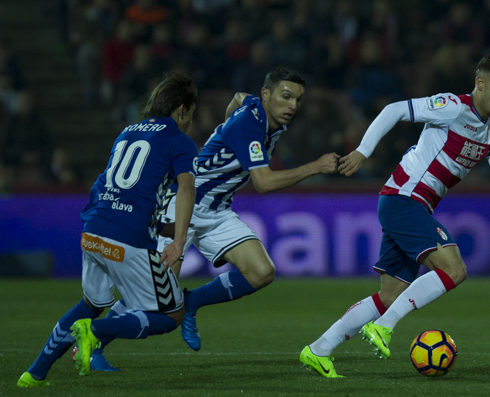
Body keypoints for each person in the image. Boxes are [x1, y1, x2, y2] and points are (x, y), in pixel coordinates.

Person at [299, 53, 490, 378]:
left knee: (389, 295)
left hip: (409, 205)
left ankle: (319, 349)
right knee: (455, 269)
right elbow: (394, 110)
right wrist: (363, 150)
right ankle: (384, 327)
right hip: (404, 199)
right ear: (481, 83)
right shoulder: (453, 107)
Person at [88, 65, 338, 367]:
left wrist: (224, 131)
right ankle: (95, 343)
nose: (292, 106)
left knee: (262, 272)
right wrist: (316, 167)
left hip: (218, 210)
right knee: (155, 288)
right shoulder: (250, 125)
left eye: (297, 100)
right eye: (286, 97)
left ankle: (192, 302)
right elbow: (264, 182)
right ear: (266, 95)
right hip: (181, 207)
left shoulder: (255, 109)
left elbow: (236, 97)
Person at [17, 73, 199, 387]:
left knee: (92, 303)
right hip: (127, 239)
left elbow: (103, 183)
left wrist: (101, 221)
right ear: (182, 110)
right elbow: (186, 188)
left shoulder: (126, 133)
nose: (190, 121)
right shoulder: (179, 141)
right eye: (191, 114)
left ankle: (34, 373)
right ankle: (95, 333)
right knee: (172, 315)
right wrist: (179, 241)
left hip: (93, 231)